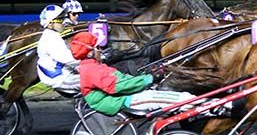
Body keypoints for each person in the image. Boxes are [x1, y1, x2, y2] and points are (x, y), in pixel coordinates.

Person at [70, 31, 204, 116]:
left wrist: (145, 76)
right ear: (90, 52)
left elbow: (122, 80)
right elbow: (117, 86)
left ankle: (208, 104)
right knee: (180, 100)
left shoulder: (95, 66)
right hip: (123, 101)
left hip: (125, 96)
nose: (101, 50)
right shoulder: (91, 70)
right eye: (97, 48)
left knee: (178, 96)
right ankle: (209, 105)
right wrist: (148, 79)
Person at [36, 4, 80, 93]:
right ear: (50, 23)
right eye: (60, 20)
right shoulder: (50, 38)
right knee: (96, 80)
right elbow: (67, 59)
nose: (63, 22)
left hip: (65, 74)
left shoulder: (54, 35)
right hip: (60, 79)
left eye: (63, 19)